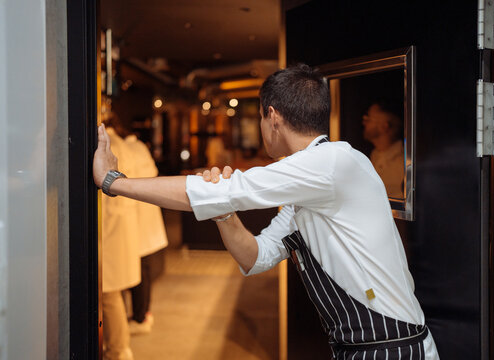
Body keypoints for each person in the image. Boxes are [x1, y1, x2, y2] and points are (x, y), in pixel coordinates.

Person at [93, 64, 439, 359]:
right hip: (357, 345)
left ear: (271, 116)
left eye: (259, 116)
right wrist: (224, 213)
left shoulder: (334, 162)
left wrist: (113, 182)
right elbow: (254, 258)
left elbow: (226, 190)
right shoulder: (308, 188)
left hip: (393, 344)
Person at [101, 115, 140, 360]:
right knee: (114, 293)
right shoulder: (123, 145)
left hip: (111, 228)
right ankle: (118, 347)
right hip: (122, 225)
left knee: (109, 294)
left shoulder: (109, 146)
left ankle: (117, 350)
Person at [123, 135, 168, 335]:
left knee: (138, 271)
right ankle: (143, 314)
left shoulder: (125, 150)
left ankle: (141, 317)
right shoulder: (140, 146)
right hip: (147, 217)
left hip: (137, 218)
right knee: (144, 269)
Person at [362, 101, 405, 198]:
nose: (364, 122)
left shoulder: (403, 164)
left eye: (368, 118)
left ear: (384, 127)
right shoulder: (374, 155)